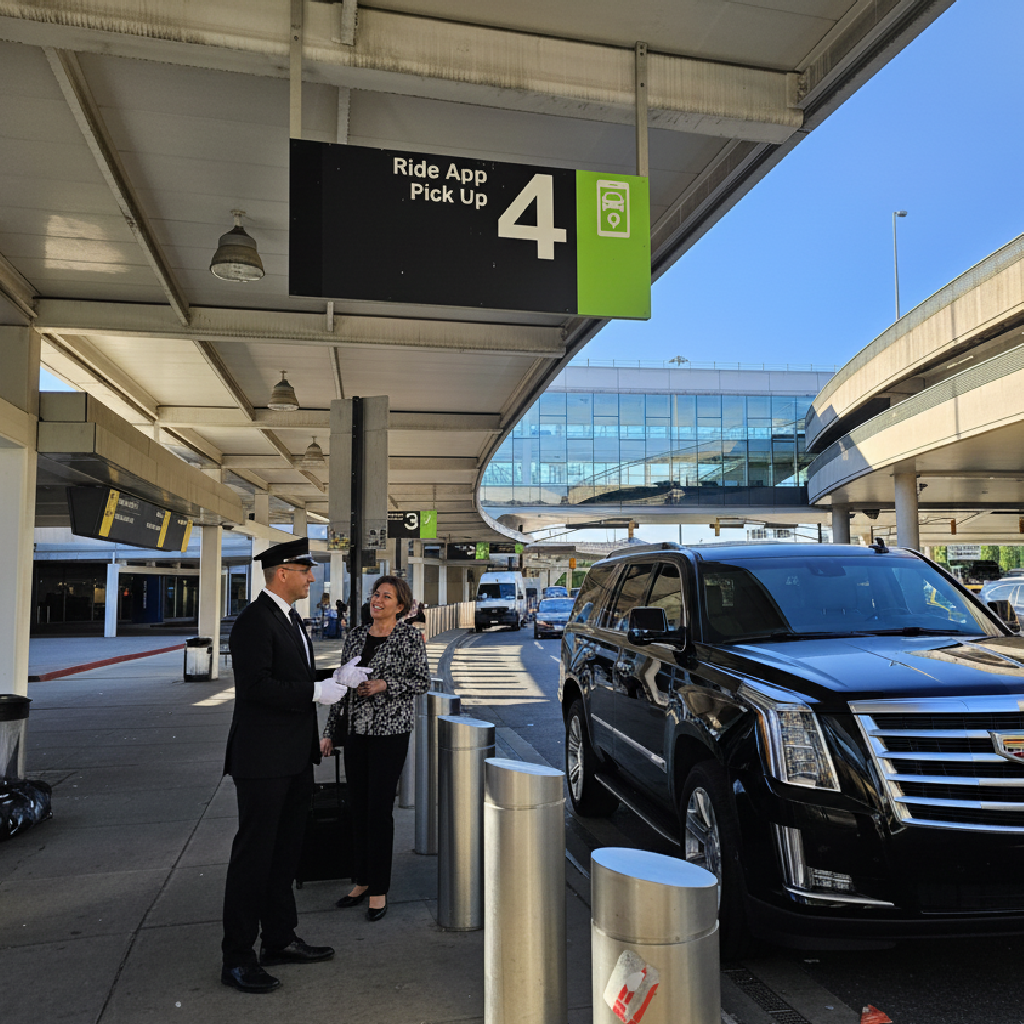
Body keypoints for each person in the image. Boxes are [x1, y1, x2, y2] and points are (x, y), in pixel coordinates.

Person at [221, 538, 364, 994]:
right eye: (305, 571)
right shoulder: (253, 623)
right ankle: (237, 956)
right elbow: (258, 687)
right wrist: (312, 694)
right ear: (282, 573)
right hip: (263, 760)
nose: (311, 577)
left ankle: (279, 939)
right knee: (254, 858)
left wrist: (332, 679)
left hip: (293, 756)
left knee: (285, 856)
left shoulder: (290, 619)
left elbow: (294, 678)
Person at [322, 575, 430, 920]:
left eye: (386, 596)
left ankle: (379, 888)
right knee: (358, 806)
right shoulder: (355, 636)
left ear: (401, 606)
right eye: (375, 594)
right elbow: (340, 683)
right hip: (356, 730)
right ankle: (362, 880)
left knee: (379, 810)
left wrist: (385, 684)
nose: (377, 600)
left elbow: (421, 680)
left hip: (390, 733)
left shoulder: (410, 637)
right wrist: (329, 732)